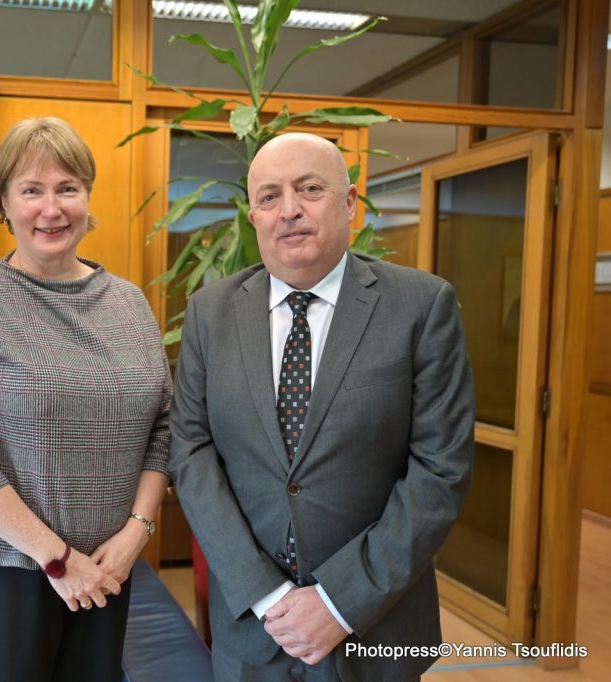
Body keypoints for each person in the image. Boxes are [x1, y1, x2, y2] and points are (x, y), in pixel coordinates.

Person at [168, 132, 474, 682]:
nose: (289, 210)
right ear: (253, 217)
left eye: (310, 189)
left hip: (376, 627)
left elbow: (441, 469)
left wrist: (339, 601)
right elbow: (191, 453)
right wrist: (265, 593)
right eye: (269, 196)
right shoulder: (209, 314)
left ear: (350, 202)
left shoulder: (422, 306)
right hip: (253, 631)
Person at [0, 116, 172, 681]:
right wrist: (57, 559)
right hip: (3, 570)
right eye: (31, 190)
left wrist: (136, 533)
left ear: (88, 196)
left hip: (108, 569)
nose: (51, 209)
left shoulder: (130, 304)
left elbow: (163, 428)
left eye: (68, 188)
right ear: (4, 204)